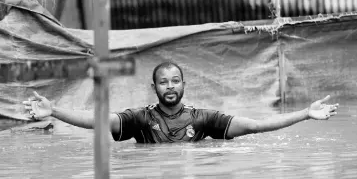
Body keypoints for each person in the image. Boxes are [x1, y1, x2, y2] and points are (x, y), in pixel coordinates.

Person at [23, 61, 339, 143]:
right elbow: (97, 120)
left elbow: (255, 126)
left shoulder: (202, 118)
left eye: (175, 81)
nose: (170, 87)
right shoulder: (140, 118)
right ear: (154, 87)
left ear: (184, 85)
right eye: (164, 82)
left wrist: (305, 114)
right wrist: (55, 111)